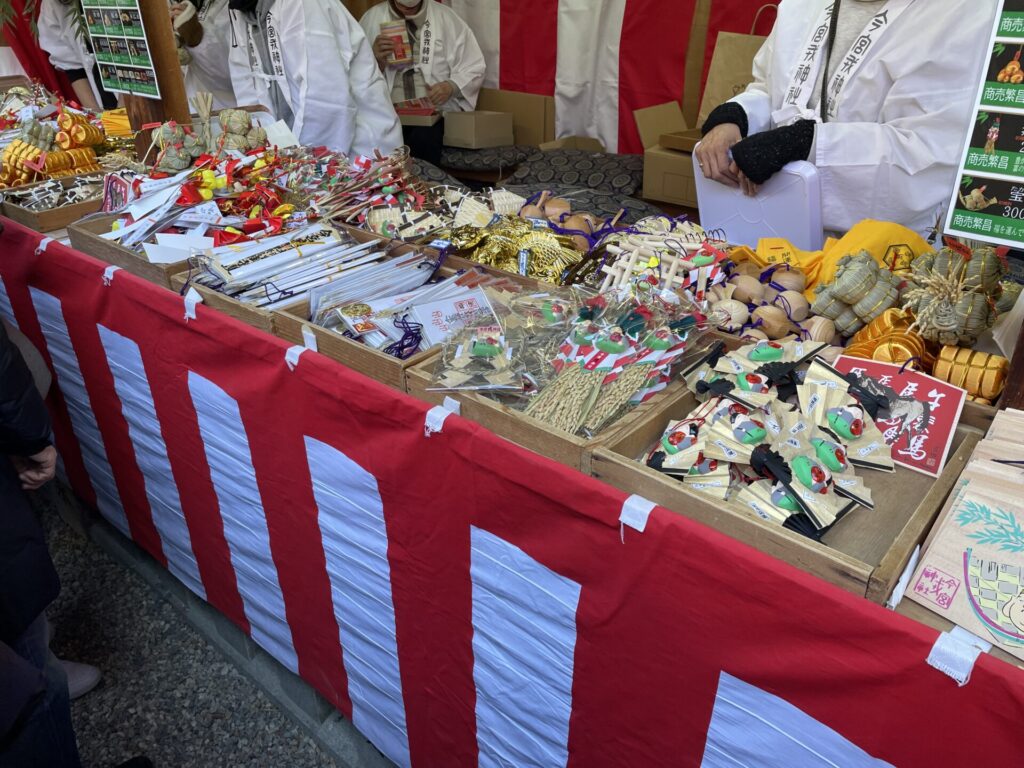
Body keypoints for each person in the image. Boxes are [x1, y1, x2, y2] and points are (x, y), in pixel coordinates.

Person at [695, 0, 996, 238]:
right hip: (776, 225)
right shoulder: (803, 5)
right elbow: (770, 87)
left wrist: (805, 142)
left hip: (882, 253)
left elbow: (927, 151)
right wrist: (734, 118)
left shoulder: (963, 12)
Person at [226, 0, 402, 158]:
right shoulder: (239, 9)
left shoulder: (304, 4)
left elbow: (325, 99)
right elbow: (246, 83)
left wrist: (301, 166)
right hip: (298, 152)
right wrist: (260, 149)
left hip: (361, 148)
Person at [359, 0, 485, 164]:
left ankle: (420, 186)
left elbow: (474, 66)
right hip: (388, 111)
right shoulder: (371, 18)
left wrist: (451, 86)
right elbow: (354, 73)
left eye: (413, 7)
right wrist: (376, 59)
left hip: (433, 113)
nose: (407, 11)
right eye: (402, 6)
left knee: (423, 137)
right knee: (372, 135)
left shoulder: (446, 18)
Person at [37, 0, 118, 111]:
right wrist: (96, 115)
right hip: (102, 96)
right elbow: (72, 67)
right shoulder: (52, 4)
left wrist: (123, 114)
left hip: (139, 94)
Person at [169, 0, 237, 111]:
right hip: (183, 115)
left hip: (224, 114)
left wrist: (196, 36)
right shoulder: (167, 5)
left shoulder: (228, 6)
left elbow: (235, 74)